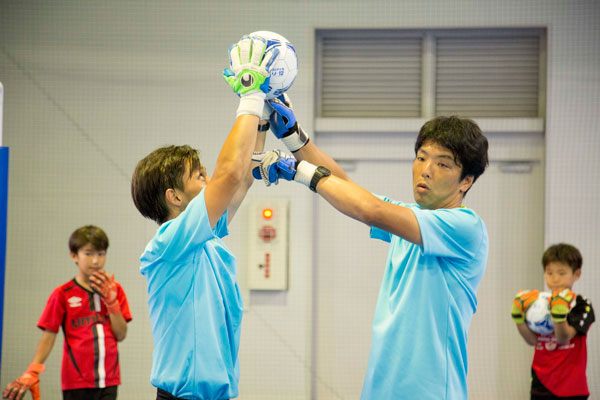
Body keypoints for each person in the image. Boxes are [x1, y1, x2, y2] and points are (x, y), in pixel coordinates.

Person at [252, 95, 490, 399]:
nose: (426, 170)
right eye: (421, 157)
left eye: (442, 163)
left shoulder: (466, 227)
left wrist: (299, 172)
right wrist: (294, 137)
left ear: (466, 181)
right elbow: (349, 189)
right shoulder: (409, 220)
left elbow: (369, 209)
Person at [130, 35, 274, 400]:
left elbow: (239, 179)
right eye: (197, 175)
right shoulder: (169, 241)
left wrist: (263, 121)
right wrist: (249, 96)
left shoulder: (204, 238)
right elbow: (228, 177)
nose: (208, 179)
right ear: (174, 197)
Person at [2, 225, 132, 400]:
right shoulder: (62, 293)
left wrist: (112, 303)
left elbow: (121, 334)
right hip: (76, 382)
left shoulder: (115, 290)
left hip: (109, 381)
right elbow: (49, 336)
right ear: (74, 256)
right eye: (89, 253)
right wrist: (33, 369)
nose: (95, 261)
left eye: (101, 254)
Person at [511, 243, 595, 399]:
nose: (555, 279)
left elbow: (563, 338)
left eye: (561, 273)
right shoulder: (538, 303)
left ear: (576, 274)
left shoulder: (582, 304)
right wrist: (519, 318)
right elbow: (531, 340)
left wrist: (559, 315)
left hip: (571, 387)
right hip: (540, 384)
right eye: (549, 272)